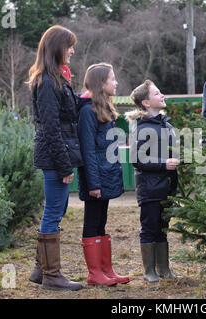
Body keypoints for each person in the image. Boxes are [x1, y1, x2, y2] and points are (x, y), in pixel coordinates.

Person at [27, 25, 83, 291]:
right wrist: (64, 165)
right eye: (69, 46)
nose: (72, 50)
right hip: (53, 158)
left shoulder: (57, 78)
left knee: (57, 210)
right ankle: (52, 276)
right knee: (53, 211)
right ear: (57, 48)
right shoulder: (48, 82)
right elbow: (50, 127)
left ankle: (41, 271)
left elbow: (65, 115)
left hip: (56, 156)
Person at [76, 63, 130, 286]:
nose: (116, 83)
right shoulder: (87, 112)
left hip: (105, 176)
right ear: (101, 83)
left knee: (102, 222)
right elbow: (87, 150)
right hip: (95, 179)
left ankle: (106, 270)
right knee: (92, 221)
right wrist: (93, 184)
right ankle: (94, 273)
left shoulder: (104, 110)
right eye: (112, 79)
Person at [127, 80, 179, 283]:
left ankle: (164, 269)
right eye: (157, 94)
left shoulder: (166, 124)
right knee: (150, 227)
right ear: (146, 103)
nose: (162, 96)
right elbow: (137, 159)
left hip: (167, 187)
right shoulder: (141, 127)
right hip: (150, 188)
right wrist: (164, 164)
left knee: (163, 226)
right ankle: (149, 271)